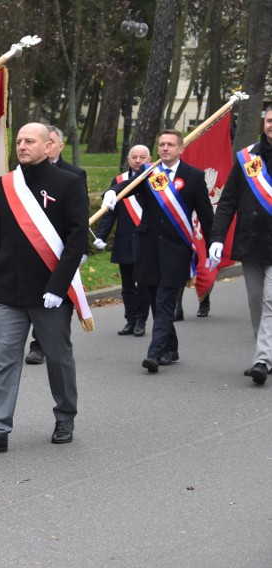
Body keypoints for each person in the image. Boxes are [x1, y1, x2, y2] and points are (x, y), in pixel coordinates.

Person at [0, 123, 89, 456]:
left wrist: (58, 285)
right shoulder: (5, 185)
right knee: (4, 361)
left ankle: (65, 416)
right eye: (19, 141)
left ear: (49, 145)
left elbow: (77, 239)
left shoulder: (69, 183)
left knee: (57, 357)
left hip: (49, 294)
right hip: (8, 291)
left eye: (30, 141)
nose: (22, 146)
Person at [126, 129, 213, 373]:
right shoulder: (148, 174)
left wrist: (215, 241)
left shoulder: (194, 176)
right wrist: (112, 193)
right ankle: (171, 348)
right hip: (149, 249)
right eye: (161, 144)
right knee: (156, 300)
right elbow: (125, 188)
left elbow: (206, 214)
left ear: (180, 149)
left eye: (170, 144)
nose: (164, 148)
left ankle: (154, 353)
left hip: (177, 249)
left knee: (165, 300)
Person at [207, 104, 272, 384]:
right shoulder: (247, 158)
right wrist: (217, 238)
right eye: (270, 120)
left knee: (271, 300)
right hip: (252, 242)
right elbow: (228, 201)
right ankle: (267, 352)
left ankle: (261, 360)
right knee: (256, 302)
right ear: (264, 122)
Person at [24, 126, 89, 365]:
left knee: (59, 298)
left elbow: (79, 220)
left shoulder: (74, 175)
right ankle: (37, 345)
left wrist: (81, 250)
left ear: (58, 146)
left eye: (51, 142)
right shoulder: (23, 176)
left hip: (61, 251)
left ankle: (54, 344)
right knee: (35, 298)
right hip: (33, 249)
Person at [93, 144, 152, 337]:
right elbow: (110, 212)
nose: (138, 160)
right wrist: (101, 235)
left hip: (146, 240)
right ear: (128, 159)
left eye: (142, 157)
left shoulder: (155, 180)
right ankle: (130, 319)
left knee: (143, 284)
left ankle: (141, 321)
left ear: (149, 159)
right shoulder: (118, 181)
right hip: (125, 240)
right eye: (134, 157)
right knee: (127, 285)